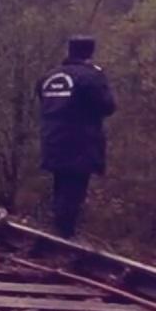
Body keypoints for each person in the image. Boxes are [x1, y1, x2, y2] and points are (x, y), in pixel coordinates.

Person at [37, 35, 116, 238]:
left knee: (60, 188)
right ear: (90, 52)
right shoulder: (91, 77)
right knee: (74, 192)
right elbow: (108, 106)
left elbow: (43, 101)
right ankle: (63, 237)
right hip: (80, 144)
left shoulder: (49, 76)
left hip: (52, 140)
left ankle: (56, 233)